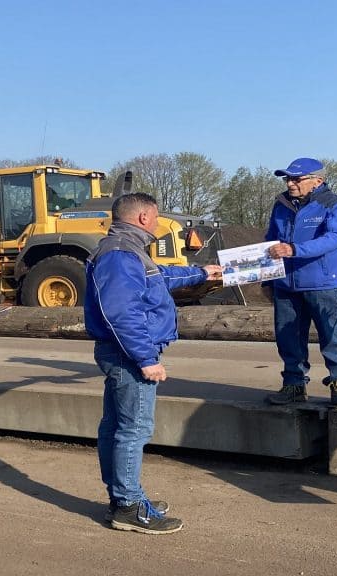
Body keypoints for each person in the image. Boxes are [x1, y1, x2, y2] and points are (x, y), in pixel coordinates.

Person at [85, 192, 221, 535]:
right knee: (133, 429)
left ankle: (123, 498)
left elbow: (159, 278)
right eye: (157, 216)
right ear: (144, 217)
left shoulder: (127, 250)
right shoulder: (119, 254)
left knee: (116, 426)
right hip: (128, 354)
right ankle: (128, 506)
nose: (159, 223)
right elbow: (121, 312)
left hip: (121, 352)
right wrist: (146, 359)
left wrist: (201, 273)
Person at [262, 158, 337, 405]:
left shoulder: (336, 205)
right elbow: (270, 240)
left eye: (296, 179)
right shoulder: (280, 205)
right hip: (285, 284)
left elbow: (334, 238)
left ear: (318, 181)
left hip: (321, 282)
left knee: (331, 335)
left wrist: (294, 250)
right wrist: (266, 281)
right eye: (287, 179)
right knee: (288, 336)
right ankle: (294, 384)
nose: (290, 184)